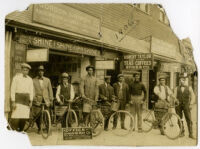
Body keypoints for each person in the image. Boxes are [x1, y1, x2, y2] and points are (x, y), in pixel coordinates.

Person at [10, 63, 33, 132]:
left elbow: (31, 90)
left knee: (24, 117)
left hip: (26, 100)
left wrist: (31, 101)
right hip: (18, 99)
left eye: (27, 70)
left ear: (28, 71)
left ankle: (21, 131)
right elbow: (12, 89)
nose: (25, 71)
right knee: (16, 116)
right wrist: (13, 101)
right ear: (21, 70)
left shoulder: (30, 79)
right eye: (24, 70)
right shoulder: (16, 78)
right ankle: (14, 132)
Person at [32, 65, 53, 133]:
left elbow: (50, 90)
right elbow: (32, 91)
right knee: (38, 115)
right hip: (37, 100)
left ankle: (47, 128)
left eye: (42, 71)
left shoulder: (47, 80)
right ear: (37, 72)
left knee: (47, 115)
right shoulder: (33, 80)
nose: (41, 72)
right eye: (39, 71)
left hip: (46, 100)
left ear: (44, 72)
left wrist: (51, 99)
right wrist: (34, 99)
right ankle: (39, 128)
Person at [174, 73, 195, 139]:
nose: (182, 81)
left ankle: (191, 134)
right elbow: (174, 96)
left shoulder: (189, 88)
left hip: (186, 105)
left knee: (189, 119)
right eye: (181, 80)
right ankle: (182, 132)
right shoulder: (176, 88)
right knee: (179, 119)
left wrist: (191, 104)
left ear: (186, 80)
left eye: (184, 79)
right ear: (180, 80)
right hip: (178, 105)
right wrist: (175, 100)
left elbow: (193, 97)